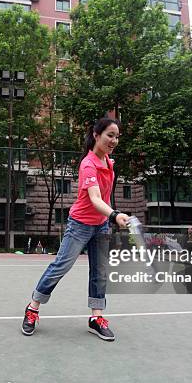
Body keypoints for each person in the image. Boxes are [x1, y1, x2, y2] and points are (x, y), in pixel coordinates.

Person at [21, 118, 129, 341]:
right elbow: (95, 198)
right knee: (61, 266)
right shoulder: (88, 164)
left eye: (117, 136)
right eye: (110, 135)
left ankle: (96, 317)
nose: (114, 140)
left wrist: (108, 218)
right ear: (96, 135)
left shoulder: (108, 162)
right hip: (80, 225)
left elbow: (104, 197)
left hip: (100, 226)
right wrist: (115, 214)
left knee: (100, 273)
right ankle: (32, 308)